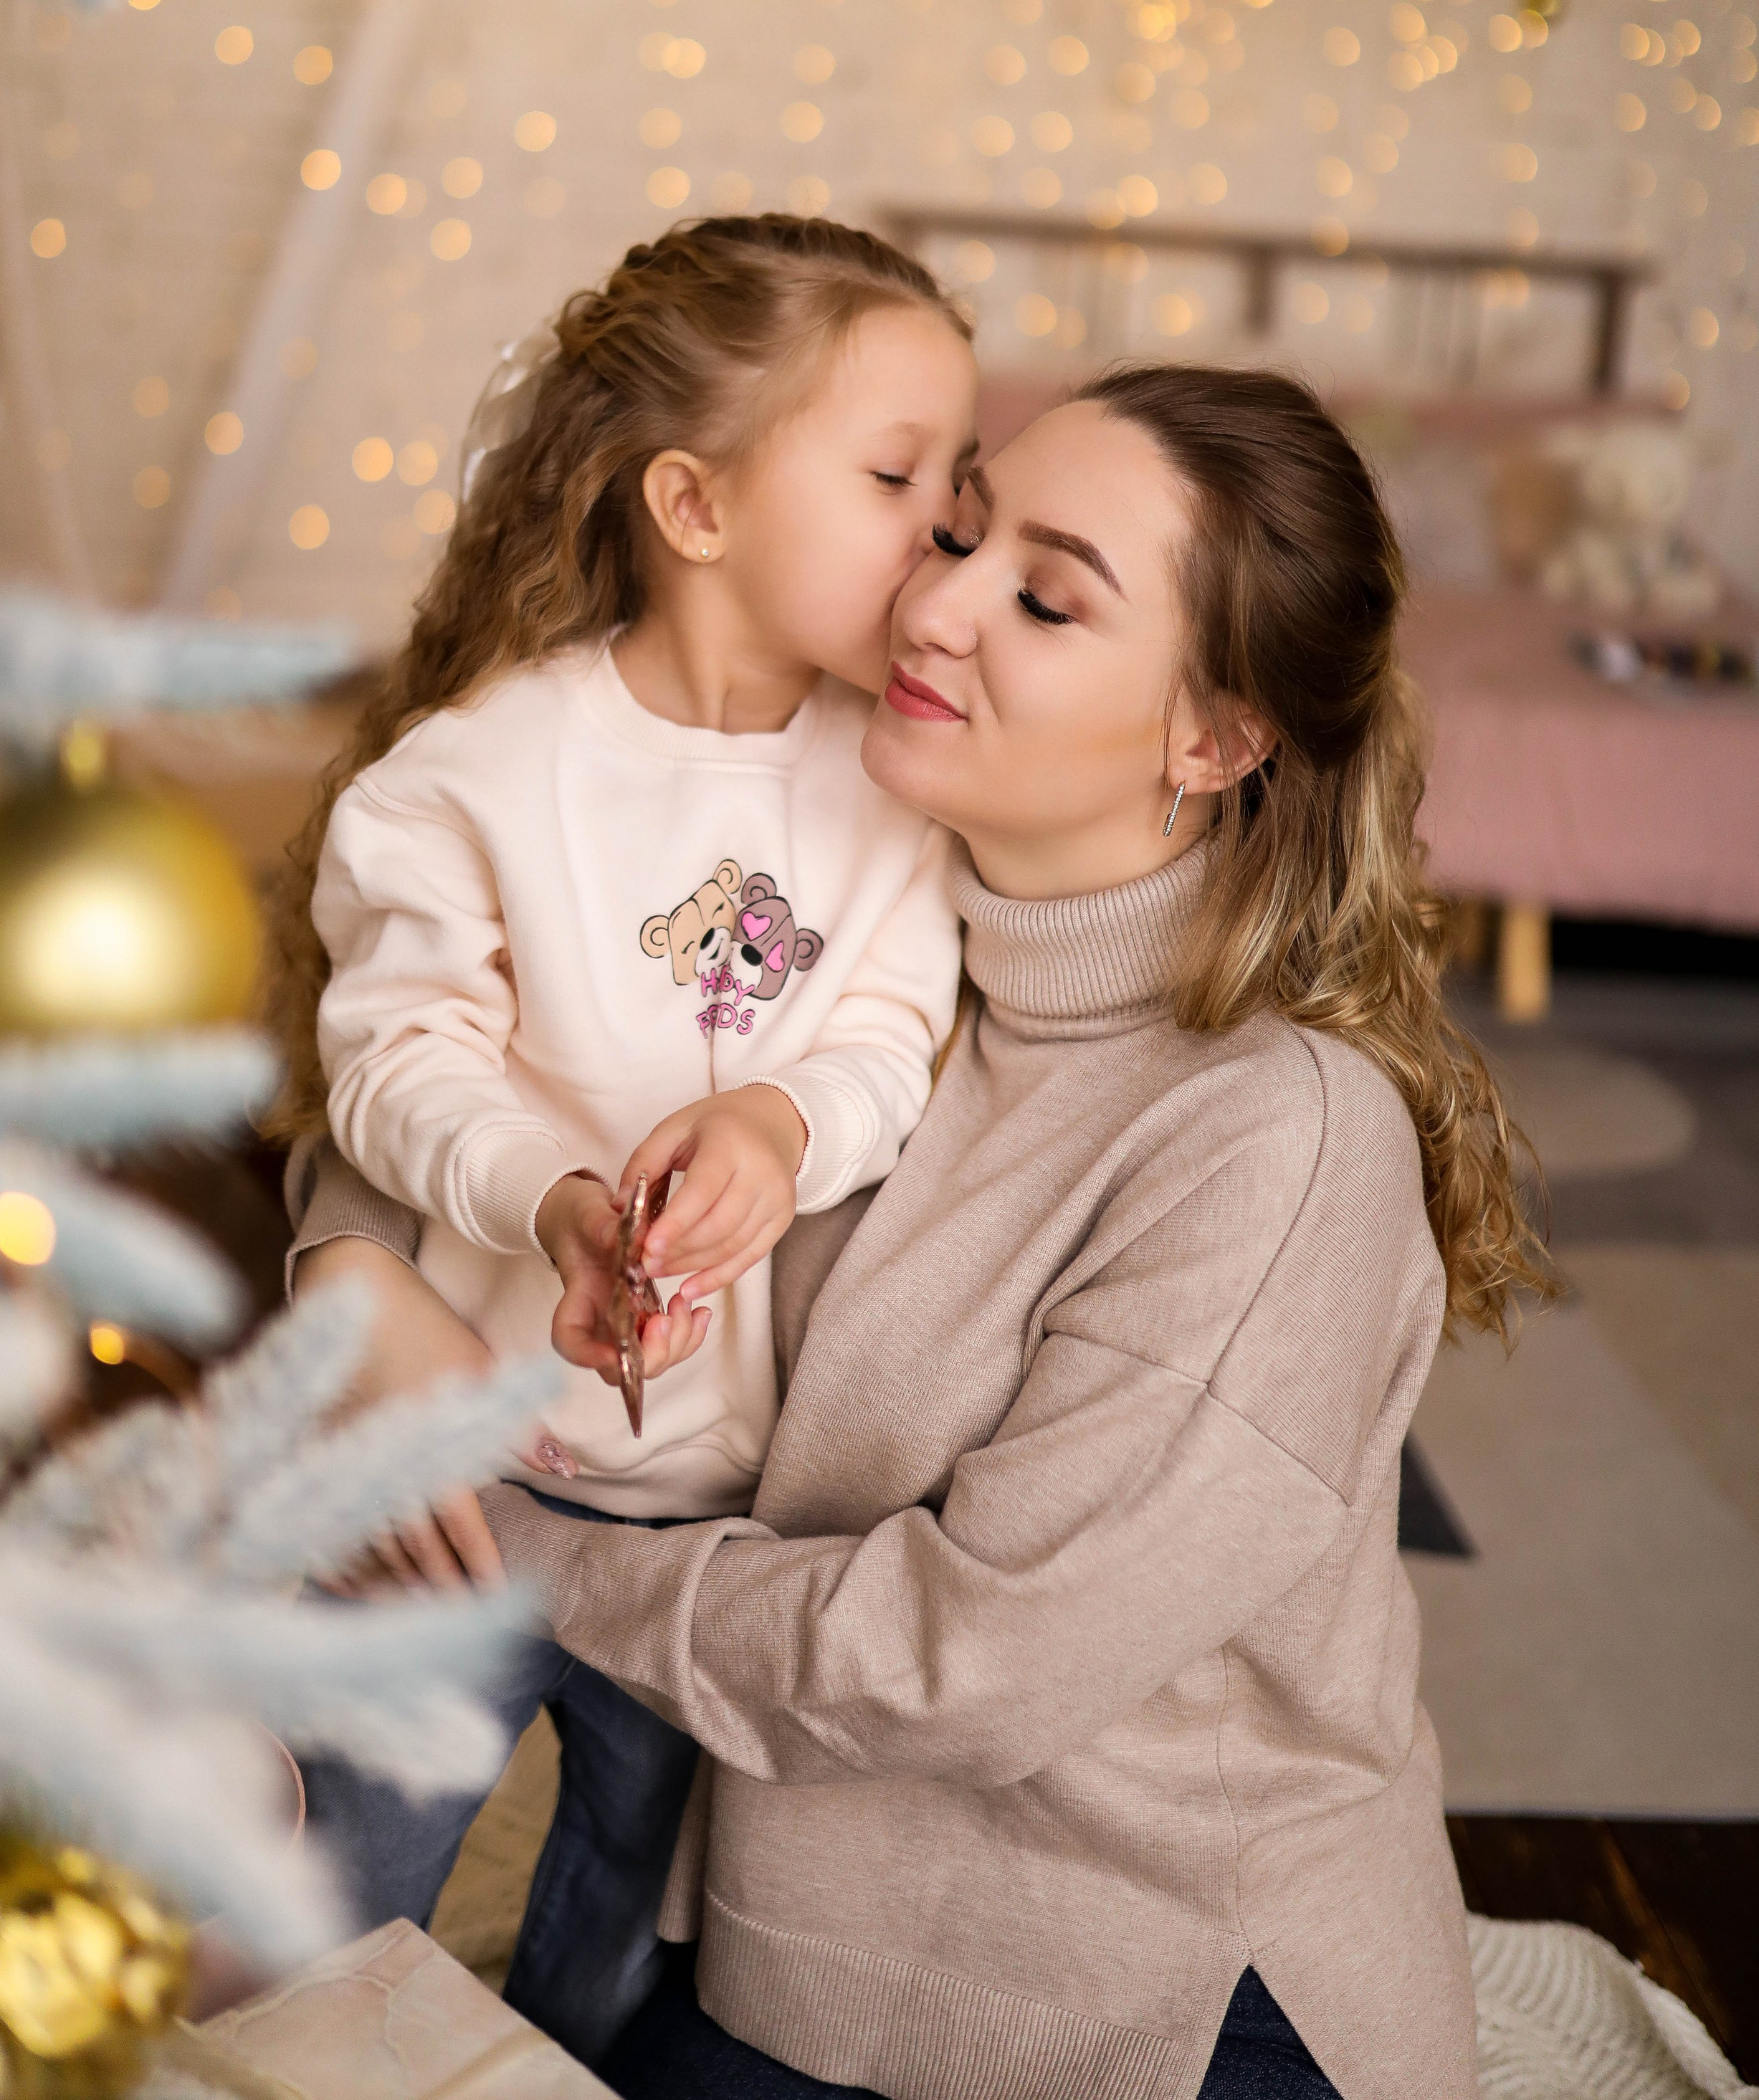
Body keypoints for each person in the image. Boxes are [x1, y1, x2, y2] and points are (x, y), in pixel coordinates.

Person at [330, 362, 1555, 2100]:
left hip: (1144, 2004)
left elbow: (952, 1664)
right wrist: (349, 1262)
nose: (936, 601)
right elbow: (451, 1041)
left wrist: (519, 1562)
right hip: (784, 1935)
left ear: (1209, 741)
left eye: (1045, 598)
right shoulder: (837, 959)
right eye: (957, 529)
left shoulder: (1271, 1141)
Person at [272, 213, 977, 2062]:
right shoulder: (478, 775)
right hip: (464, 1496)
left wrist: (778, 1113)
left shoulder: (901, 792)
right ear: (695, 502)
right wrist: (555, 1199)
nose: (944, 538)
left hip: (729, 1541)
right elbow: (395, 1057)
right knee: (349, 1886)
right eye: (896, 477)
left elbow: (898, 1033)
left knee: (615, 1937)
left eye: (952, 486)